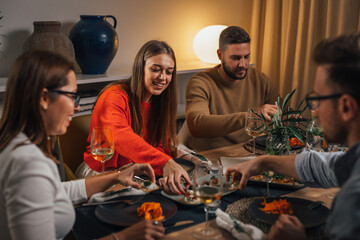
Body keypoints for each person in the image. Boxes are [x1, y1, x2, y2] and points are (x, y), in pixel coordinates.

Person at [0, 49, 165, 240]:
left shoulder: (15, 142)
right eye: (71, 96)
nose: (77, 107)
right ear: (44, 98)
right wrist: (123, 238)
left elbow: (56, 191)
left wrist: (117, 177)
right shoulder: (28, 163)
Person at [225, 32, 360, 240]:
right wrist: (263, 161)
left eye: (319, 99)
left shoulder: (352, 201)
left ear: (346, 107)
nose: (315, 110)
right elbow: (322, 165)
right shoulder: (353, 161)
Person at [80, 40, 191, 195]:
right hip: (101, 172)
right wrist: (165, 163)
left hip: (136, 171)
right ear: (141, 68)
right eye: (156, 69)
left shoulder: (158, 102)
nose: (163, 77)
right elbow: (120, 136)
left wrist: (171, 165)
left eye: (169, 72)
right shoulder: (114, 95)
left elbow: (158, 146)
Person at [185, 26, 280, 151]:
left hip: (248, 154)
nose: (243, 64)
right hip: (211, 158)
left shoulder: (260, 79)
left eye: (246, 57)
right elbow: (197, 125)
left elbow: (281, 113)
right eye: (235, 58)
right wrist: (250, 116)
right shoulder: (200, 82)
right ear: (220, 55)